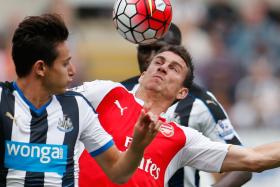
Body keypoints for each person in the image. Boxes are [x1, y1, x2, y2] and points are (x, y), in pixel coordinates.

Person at [78, 45, 280, 187]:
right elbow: (54, 103)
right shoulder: (107, 92)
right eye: (159, 61)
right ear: (143, 74)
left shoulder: (181, 138)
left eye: (174, 68)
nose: (163, 67)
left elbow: (255, 159)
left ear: (182, 93)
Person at [0, 14, 161, 187]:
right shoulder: (2, 99)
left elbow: (117, 172)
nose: (73, 70)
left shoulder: (77, 107)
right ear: (40, 68)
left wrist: (137, 145)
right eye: (65, 64)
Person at [121, 23, 252, 187]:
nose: (151, 57)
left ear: (177, 52)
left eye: (160, 50)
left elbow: (243, 167)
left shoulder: (200, 102)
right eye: (145, 49)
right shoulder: (117, 93)